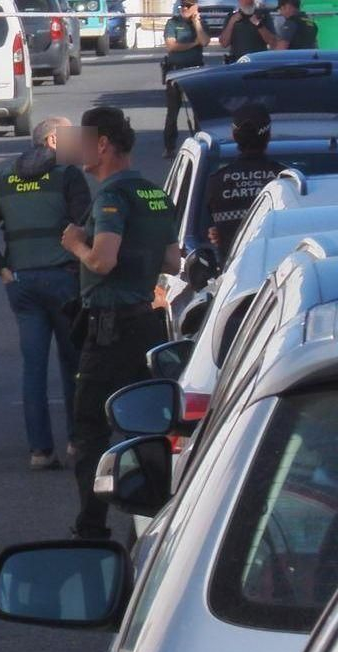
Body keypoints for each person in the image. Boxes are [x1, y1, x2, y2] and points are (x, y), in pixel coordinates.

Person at [60, 108, 180, 540]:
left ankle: (92, 526)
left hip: (110, 329)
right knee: (146, 422)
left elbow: (102, 260)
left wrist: (76, 242)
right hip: (148, 326)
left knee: (91, 426)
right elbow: (172, 259)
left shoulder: (110, 195)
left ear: (103, 144)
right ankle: (155, 516)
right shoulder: (153, 193)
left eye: (81, 140)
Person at [0, 116, 91, 471]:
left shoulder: (7, 176)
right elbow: (86, 222)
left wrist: (0, 268)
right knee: (73, 366)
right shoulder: (68, 175)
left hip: (22, 283)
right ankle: (76, 443)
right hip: (64, 279)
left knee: (33, 367)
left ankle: (39, 451)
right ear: (53, 140)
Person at [205, 103, 281, 257]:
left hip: (232, 276)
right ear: (269, 135)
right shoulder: (285, 179)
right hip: (280, 272)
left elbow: (205, 233)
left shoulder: (216, 182)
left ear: (233, 135)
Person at [162, 0, 209, 159]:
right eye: (182, 6)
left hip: (196, 71)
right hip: (175, 71)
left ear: (195, 7)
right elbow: (171, 46)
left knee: (198, 112)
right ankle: (169, 147)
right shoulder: (173, 23)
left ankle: (200, 144)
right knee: (172, 113)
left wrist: (196, 22)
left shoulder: (200, 23)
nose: (184, 9)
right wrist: (193, 43)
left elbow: (204, 41)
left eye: (188, 6)